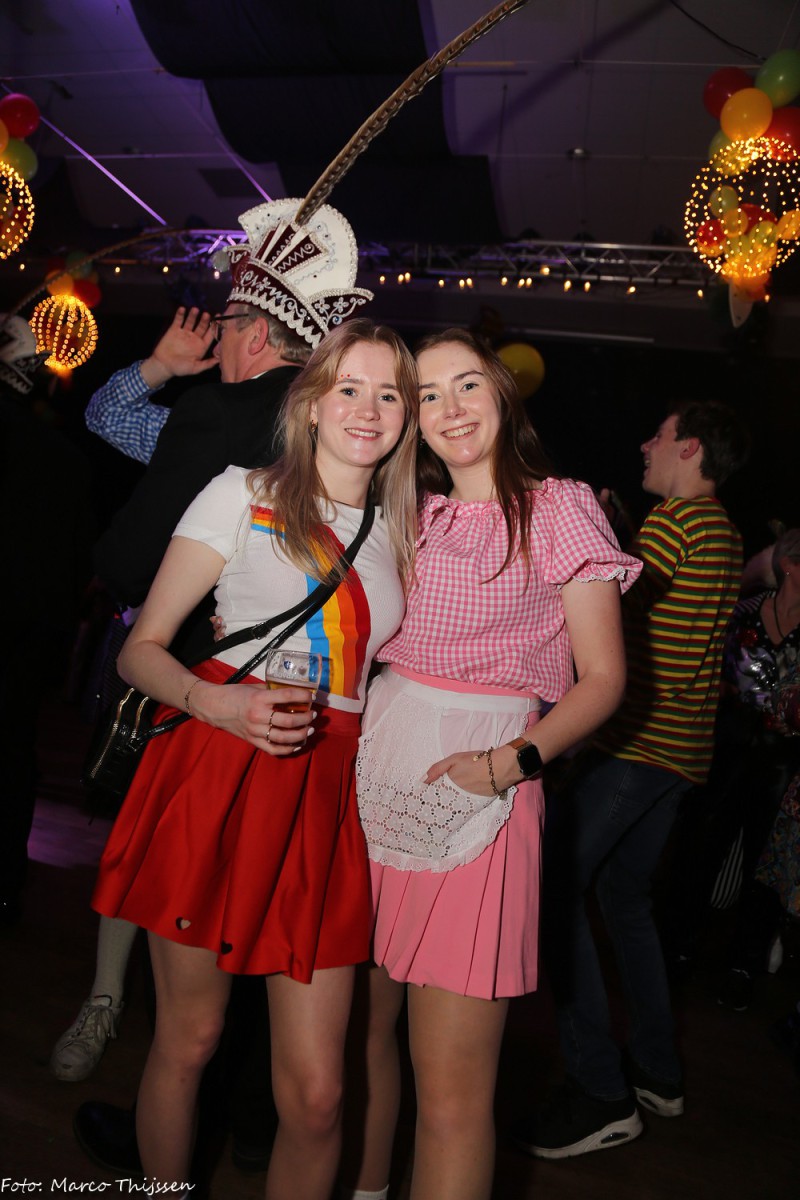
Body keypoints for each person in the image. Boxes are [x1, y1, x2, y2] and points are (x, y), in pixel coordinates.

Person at [89, 318, 418, 1198]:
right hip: (218, 766)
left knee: (318, 1095)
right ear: (310, 403)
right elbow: (141, 651)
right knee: (189, 1039)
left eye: (389, 394)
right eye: (348, 387)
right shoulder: (241, 490)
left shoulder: (406, 529)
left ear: (406, 416)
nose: (368, 408)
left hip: (325, 795)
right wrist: (217, 702)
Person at [53, 196, 371, 1086]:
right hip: (315, 707)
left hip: (197, 683)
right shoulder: (349, 428)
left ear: (256, 335)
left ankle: (120, 1013)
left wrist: (164, 371)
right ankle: (240, 1091)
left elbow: (124, 559)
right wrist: (164, 369)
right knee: (262, 891)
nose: (220, 339)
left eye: (228, 325)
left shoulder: (218, 416)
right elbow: (114, 422)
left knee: (166, 866)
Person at [344, 330, 639, 1200]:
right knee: (360, 1043)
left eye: (467, 384)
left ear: (504, 396)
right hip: (369, 790)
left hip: (480, 805)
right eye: (428, 395)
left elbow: (605, 678)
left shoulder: (559, 506)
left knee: (452, 1095)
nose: (450, 408)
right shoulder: (411, 514)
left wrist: (510, 764)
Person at [514, 400, 749, 1161]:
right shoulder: (721, 529)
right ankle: (656, 1071)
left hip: (642, 748)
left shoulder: (677, 523)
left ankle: (600, 1092)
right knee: (624, 900)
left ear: (690, 448)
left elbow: (608, 613)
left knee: (554, 890)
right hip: (682, 753)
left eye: (659, 435)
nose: (646, 444)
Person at [666, 527, 800, 1010]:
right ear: (791, 566)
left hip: (784, 763)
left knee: (763, 865)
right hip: (728, 749)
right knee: (702, 847)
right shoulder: (743, 613)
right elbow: (711, 670)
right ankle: (678, 948)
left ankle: (743, 964)